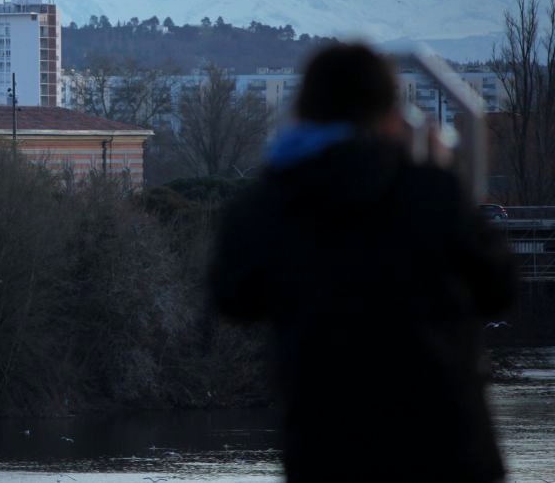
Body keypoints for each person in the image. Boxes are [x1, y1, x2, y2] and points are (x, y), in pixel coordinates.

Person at [209, 43, 517, 483]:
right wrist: (446, 177)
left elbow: (232, 297)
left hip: (327, 450)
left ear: (303, 109)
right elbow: (499, 288)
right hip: (447, 449)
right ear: (390, 113)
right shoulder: (431, 193)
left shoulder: (271, 204)